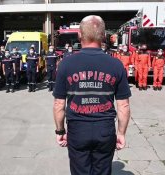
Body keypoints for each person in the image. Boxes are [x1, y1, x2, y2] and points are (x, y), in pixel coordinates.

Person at [53, 15, 131, 175]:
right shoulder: (116, 64)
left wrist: (60, 131)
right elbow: (123, 105)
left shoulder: (65, 64)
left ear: (79, 34)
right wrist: (121, 133)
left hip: (77, 130)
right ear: (103, 36)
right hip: (105, 130)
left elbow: (59, 105)